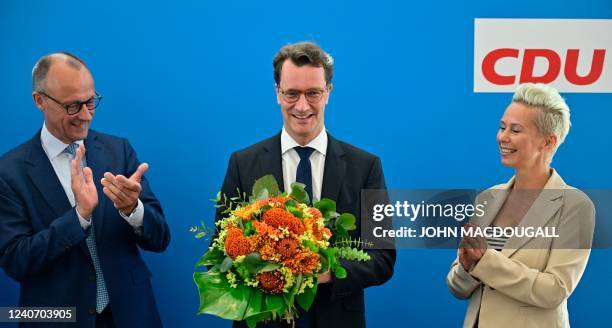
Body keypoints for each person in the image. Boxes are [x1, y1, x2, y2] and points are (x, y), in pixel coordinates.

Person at [217, 41, 396, 328]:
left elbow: (382, 258)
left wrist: (325, 271)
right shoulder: (243, 163)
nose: (302, 106)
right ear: (277, 93)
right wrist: (263, 265)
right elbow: (225, 247)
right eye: (292, 93)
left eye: (313, 93)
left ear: (329, 93)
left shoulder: (366, 167)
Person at [0, 52, 170, 327]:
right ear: (40, 101)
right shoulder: (9, 173)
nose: (85, 115)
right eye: (72, 106)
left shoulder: (118, 150)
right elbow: (16, 262)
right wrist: (78, 217)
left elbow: (160, 239)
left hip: (131, 314)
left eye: (91, 102)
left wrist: (133, 210)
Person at [446, 83, 595, 327]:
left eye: (515, 130)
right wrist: (465, 265)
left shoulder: (575, 205)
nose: (503, 137)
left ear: (548, 142)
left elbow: (554, 290)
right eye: (502, 127)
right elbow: (457, 287)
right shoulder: (488, 198)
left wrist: (484, 261)